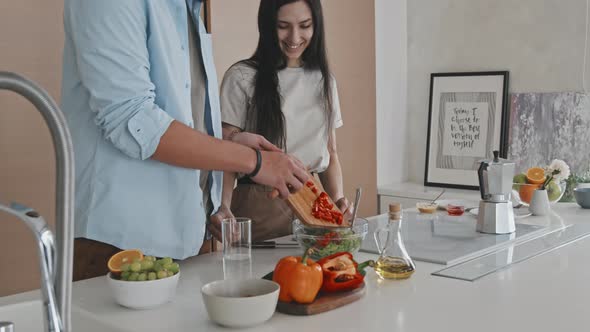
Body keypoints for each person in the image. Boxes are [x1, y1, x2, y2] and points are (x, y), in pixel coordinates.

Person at [61, 0, 307, 281]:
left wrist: (231, 139)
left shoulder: (185, 10)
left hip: (188, 239)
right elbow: (133, 120)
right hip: (117, 245)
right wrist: (254, 161)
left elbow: (181, 113)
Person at [208, 0, 353, 242]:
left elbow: (330, 152)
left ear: (316, 26)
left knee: (317, 275)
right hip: (260, 204)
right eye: (283, 26)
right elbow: (226, 151)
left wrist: (337, 200)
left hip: (313, 201)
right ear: (267, 26)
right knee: (265, 278)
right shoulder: (242, 76)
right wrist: (224, 206)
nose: (294, 37)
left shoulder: (324, 80)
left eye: (304, 25)